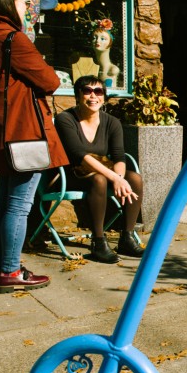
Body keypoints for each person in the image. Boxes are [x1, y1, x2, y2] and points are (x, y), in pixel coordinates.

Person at [0, 0, 69, 293]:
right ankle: (11, 272)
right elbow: (50, 81)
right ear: (4, 1)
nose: (25, 2)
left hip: (5, 134)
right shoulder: (12, 38)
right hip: (25, 133)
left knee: (4, 204)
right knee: (18, 205)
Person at [54, 75, 145, 263]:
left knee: (134, 178)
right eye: (87, 91)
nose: (93, 96)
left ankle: (126, 238)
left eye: (98, 91)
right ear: (77, 95)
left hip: (103, 171)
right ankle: (98, 241)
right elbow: (79, 155)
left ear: (104, 96)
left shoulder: (112, 122)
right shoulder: (65, 119)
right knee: (99, 179)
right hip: (70, 174)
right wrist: (115, 178)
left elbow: (119, 155)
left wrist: (119, 178)